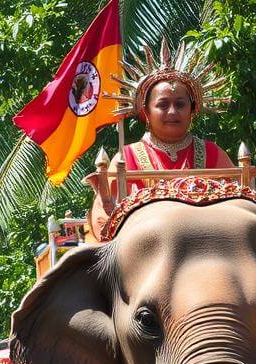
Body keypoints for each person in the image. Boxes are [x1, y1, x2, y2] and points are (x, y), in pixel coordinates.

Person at [89, 40, 234, 236]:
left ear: (192, 110)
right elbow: (103, 220)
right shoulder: (126, 158)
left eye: (180, 104)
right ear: (146, 111)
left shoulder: (212, 154)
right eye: (163, 105)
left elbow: (238, 210)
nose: (172, 112)